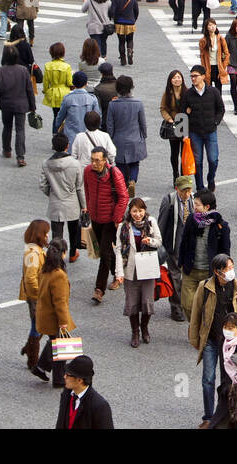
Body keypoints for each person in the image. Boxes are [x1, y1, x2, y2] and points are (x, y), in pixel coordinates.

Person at [188, 254, 237, 428]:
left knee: (229, 379)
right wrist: (195, 338)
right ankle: (208, 417)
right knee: (208, 378)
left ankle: (226, 416)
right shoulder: (204, 287)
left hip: (233, 343)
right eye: (227, 269)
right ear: (217, 271)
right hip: (212, 340)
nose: (230, 272)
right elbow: (196, 313)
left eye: (231, 267)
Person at [112, 197, 163, 348]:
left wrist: (150, 241)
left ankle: (144, 327)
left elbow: (159, 241)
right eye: (134, 211)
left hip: (147, 268)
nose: (138, 214)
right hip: (130, 269)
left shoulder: (151, 222)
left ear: (144, 210)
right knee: (132, 303)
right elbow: (119, 250)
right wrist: (119, 273)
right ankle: (135, 332)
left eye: (140, 211)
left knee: (147, 302)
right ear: (130, 211)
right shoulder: (123, 226)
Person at [84, 146, 129, 305]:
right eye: (92, 159)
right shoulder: (88, 171)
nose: (94, 163)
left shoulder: (114, 173)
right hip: (96, 218)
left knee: (104, 253)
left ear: (104, 160)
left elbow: (124, 196)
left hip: (110, 220)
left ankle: (99, 290)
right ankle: (117, 275)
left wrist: (117, 218)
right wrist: (88, 209)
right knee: (107, 251)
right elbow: (87, 191)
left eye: (97, 160)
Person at [178, 189, 231, 320]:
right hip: (190, 270)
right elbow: (183, 242)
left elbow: (225, 252)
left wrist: (223, 272)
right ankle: (196, 326)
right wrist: (181, 263)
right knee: (187, 305)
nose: (194, 207)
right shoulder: (191, 220)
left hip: (209, 273)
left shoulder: (221, 226)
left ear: (207, 207)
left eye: (197, 204)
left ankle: (202, 332)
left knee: (208, 307)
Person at [31, 240, 75, 387]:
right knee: (61, 348)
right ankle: (58, 379)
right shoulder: (59, 275)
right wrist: (63, 321)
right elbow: (60, 301)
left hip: (44, 314)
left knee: (55, 342)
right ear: (63, 253)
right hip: (54, 317)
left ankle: (41, 367)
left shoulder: (45, 270)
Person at [40, 133, 85, 262]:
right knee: (73, 231)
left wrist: (52, 193)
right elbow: (79, 187)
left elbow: (42, 185)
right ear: (67, 146)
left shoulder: (46, 164)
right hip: (72, 202)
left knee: (56, 234)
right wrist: (84, 206)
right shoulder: (75, 164)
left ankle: (56, 259)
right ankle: (72, 253)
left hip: (56, 202)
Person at [156, 175, 196, 322]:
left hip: (189, 247)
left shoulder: (193, 200)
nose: (186, 194)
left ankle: (185, 304)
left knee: (188, 277)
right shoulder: (169, 200)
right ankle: (176, 307)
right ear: (177, 189)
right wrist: (159, 243)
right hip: (173, 246)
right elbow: (161, 223)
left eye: (189, 190)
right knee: (175, 277)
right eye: (183, 191)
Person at [184, 65, 225, 192]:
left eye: (195, 76)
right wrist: (184, 133)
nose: (193, 78)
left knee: (213, 159)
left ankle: (211, 178)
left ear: (203, 76)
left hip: (210, 131)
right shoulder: (188, 94)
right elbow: (182, 114)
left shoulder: (213, 92)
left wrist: (215, 122)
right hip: (194, 132)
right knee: (198, 161)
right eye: (191, 76)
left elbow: (221, 109)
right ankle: (200, 187)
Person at [104, 74, 146, 200]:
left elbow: (109, 125)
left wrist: (110, 139)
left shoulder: (113, 104)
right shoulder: (138, 103)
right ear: (131, 87)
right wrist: (143, 136)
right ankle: (132, 180)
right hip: (135, 138)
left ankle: (122, 186)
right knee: (134, 163)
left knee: (120, 164)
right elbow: (142, 123)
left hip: (119, 139)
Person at [0, 46, 35, 166]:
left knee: (7, 126)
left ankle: (6, 150)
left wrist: (0, 101)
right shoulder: (23, 70)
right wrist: (32, 106)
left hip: (6, 104)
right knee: (20, 130)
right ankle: (20, 157)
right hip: (21, 104)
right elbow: (29, 90)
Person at [18, 219, 50, 375]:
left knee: (37, 325)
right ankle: (33, 359)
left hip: (36, 294)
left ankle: (29, 348)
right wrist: (38, 295)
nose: (47, 236)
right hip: (35, 296)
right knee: (38, 326)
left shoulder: (35, 249)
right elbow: (30, 278)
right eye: (46, 233)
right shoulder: (33, 253)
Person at [55, 355, 114, 429]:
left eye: (68, 375)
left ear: (79, 380)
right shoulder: (66, 393)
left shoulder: (99, 406)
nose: (64, 377)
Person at [55, 72, 99, 145]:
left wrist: (57, 126)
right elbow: (97, 116)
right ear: (86, 83)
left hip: (70, 135)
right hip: (87, 134)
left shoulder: (67, 98)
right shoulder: (92, 99)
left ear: (73, 83)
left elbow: (60, 116)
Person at [161, 69, 187, 179]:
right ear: (170, 80)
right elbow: (163, 109)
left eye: (179, 77)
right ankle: (175, 174)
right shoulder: (167, 93)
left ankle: (183, 176)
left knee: (184, 152)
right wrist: (169, 119)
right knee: (174, 151)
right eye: (174, 78)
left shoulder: (187, 92)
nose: (177, 80)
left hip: (185, 123)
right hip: (173, 123)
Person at [42, 43, 73, 128]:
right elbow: (69, 82)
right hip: (65, 93)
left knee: (56, 116)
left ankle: (55, 134)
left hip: (53, 93)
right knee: (66, 116)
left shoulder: (47, 66)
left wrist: (45, 91)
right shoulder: (67, 66)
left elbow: (45, 82)